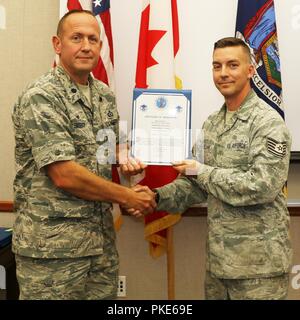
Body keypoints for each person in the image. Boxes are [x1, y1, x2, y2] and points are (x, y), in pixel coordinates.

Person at [132, 37, 292, 300]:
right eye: (217, 66)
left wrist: (200, 171)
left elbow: (262, 186)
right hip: (219, 265)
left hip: (258, 270)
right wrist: (155, 197)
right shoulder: (212, 124)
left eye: (232, 65)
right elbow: (195, 185)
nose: (223, 73)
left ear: (250, 69)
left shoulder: (267, 123)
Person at [11, 9, 156, 300]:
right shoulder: (42, 95)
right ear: (57, 44)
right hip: (52, 251)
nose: (86, 46)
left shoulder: (104, 95)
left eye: (93, 39)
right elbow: (64, 175)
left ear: (101, 46)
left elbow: (110, 148)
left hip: (99, 244)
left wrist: (125, 158)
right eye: (76, 38)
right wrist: (127, 197)